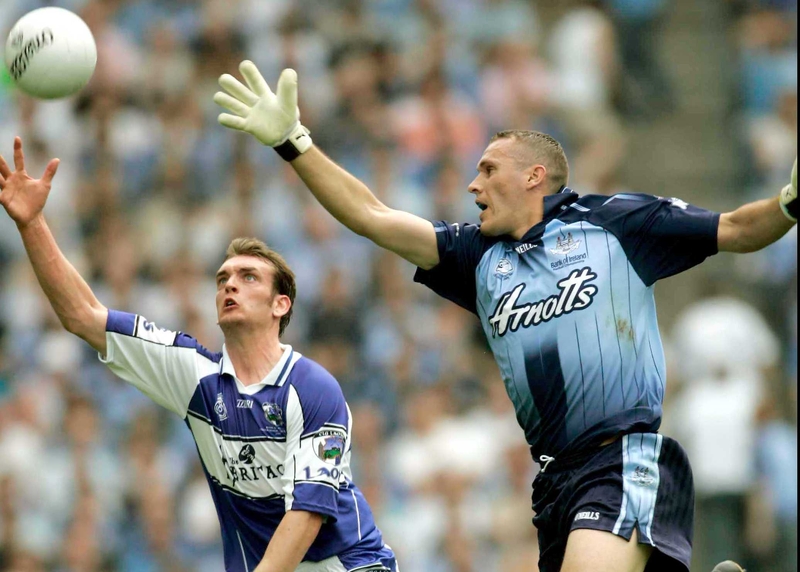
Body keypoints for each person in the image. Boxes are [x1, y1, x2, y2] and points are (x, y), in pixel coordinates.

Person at [212, 62, 798, 572]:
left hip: (622, 459)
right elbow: (370, 215)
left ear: (533, 176)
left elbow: (738, 228)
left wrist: (789, 202)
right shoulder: (476, 257)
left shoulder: (615, 223)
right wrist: (293, 141)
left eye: (489, 170)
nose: (474, 184)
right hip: (555, 484)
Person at [0, 137, 398, 572]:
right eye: (223, 278)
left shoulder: (313, 388)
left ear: (280, 305)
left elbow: (306, 515)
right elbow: (82, 315)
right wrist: (31, 223)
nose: (230, 285)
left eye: (249, 277)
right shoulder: (196, 376)